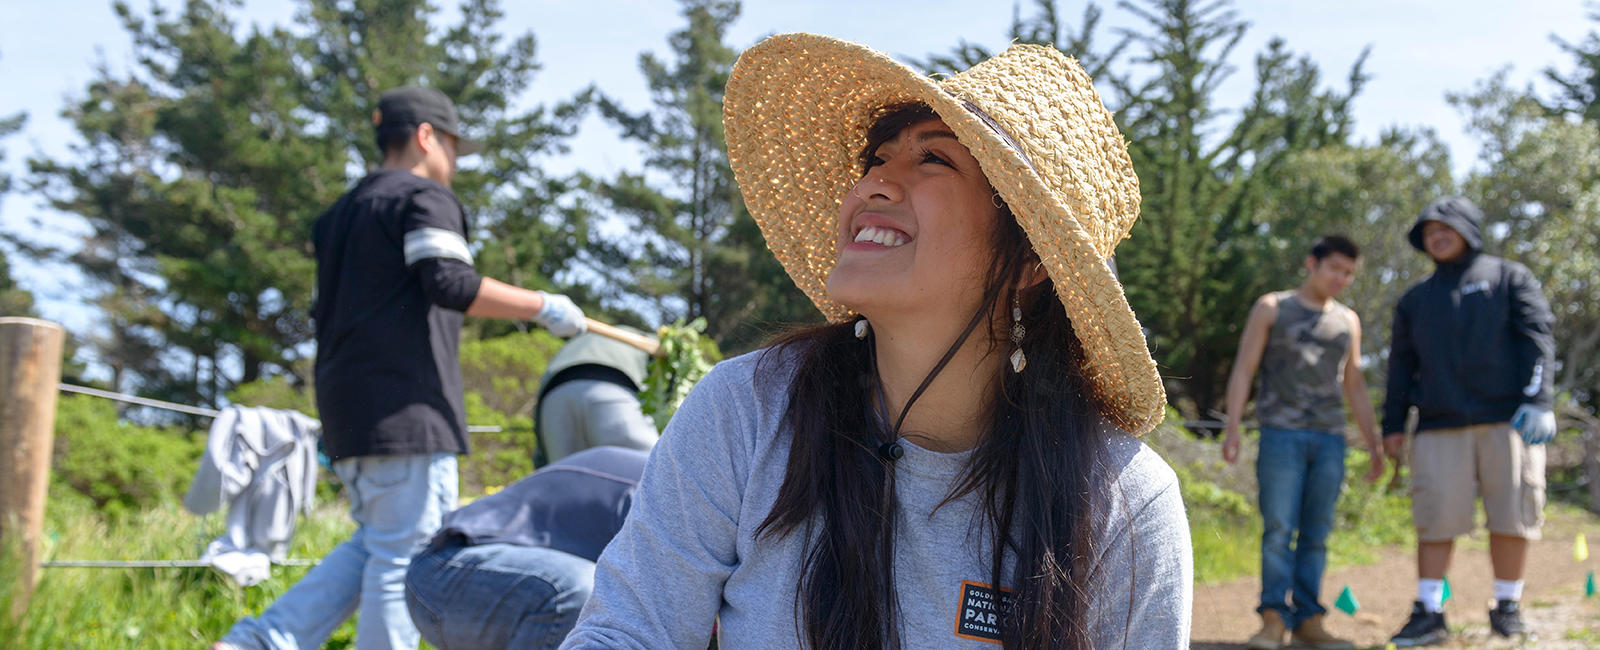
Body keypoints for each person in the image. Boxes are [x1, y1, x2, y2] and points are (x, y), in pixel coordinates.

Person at [561, 34, 1192, 649]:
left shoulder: (1121, 505)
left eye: (932, 159)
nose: (873, 185)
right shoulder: (747, 411)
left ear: (1031, 258)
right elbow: (628, 630)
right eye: (876, 159)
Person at [216, 86, 588, 650]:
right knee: (408, 559)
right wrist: (543, 306)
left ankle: (257, 643)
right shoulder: (424, 198)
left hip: (349, 412)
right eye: (454, 148)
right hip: (406, 413)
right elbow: (450, 282)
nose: (455, 163)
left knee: (378, 542)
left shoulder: (339, 216)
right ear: (425, 136)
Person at [1382, 196, 1557, 646]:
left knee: (1512, 516)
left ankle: (1507, 608)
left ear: (1470, 229)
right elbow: (1400, 366)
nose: (1436, 235)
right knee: (1435, 520)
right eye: (1428, 230)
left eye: (1446, 227)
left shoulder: (1509, 277)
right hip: (1439, 426)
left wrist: (1539, 398)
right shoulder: (1416, 299)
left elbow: (1538, 338)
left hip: (1509, 421)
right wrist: (1393, 424)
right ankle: (1429, 612)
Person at [1220, 235, 1385, 650]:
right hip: (1281, 434)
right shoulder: (1272, 307)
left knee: (1317, 532)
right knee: (1278, 529)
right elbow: (1244, 369)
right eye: (1334, 268)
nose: (1340, 279)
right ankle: (1273, 619)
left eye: (1348, 273)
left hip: (1329, 439)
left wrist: (1374, 444)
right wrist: (1234, 426)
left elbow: (1355, 385)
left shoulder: (1348, 320)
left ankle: (1309, 619)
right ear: (1312, 263)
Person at [403, 446, 647, 649]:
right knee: (580, 591)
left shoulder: (660, 479)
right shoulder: (655, 497)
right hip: (443, 573)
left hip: (504, 589)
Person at [534, 329, 659, 466]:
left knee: (566, 480)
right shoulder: (649, 339)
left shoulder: (579, 340)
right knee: (652, 473)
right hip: (612, 388)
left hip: (553, 399)